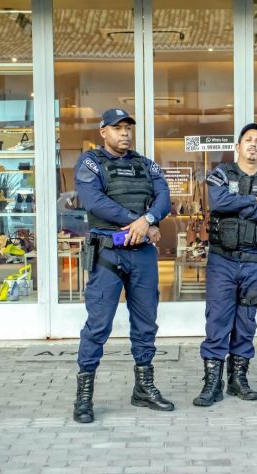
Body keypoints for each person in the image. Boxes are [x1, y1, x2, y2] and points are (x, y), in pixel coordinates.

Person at [73, 108, 173, 423]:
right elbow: (95, 202)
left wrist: (150, 219)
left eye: (128, 127)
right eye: (117, 128)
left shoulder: (147, 164)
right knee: (99, 325)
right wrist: (140, 222)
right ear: (103, 132)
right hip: (108, 253)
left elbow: (164, 197)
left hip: (142, 254)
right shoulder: (90, 162)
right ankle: (84, 397)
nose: (125, 133)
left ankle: (143, 389)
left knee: (146, 324)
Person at [193, 123, 257, 407]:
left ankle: (238, 380)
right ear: (238, 146)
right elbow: (219, 202)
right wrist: (253, 201)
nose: (253, 145)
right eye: (248, 140)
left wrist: (244, 204)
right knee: (218, 319)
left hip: (255, 263)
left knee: (246, 323)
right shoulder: (222, 174)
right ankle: (212, 384)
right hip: (223, 260)